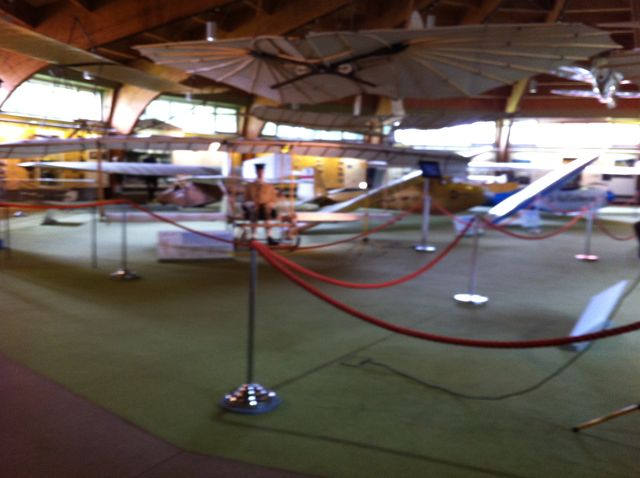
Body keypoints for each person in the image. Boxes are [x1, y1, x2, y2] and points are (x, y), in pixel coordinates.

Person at [243, 163, 279, 245]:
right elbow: (246, 199)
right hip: (254, 208)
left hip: (266, 208)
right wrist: (251, 204)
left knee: (266, 210)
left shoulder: (269, 186)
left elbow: (274, 199)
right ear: (256, 172)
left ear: (264, 172)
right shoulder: (250, 186)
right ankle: (254, 237)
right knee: (254, 210)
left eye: (261, 172)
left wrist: (270, 204)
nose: (260, 173)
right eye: (258, 171)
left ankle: (269, 236)